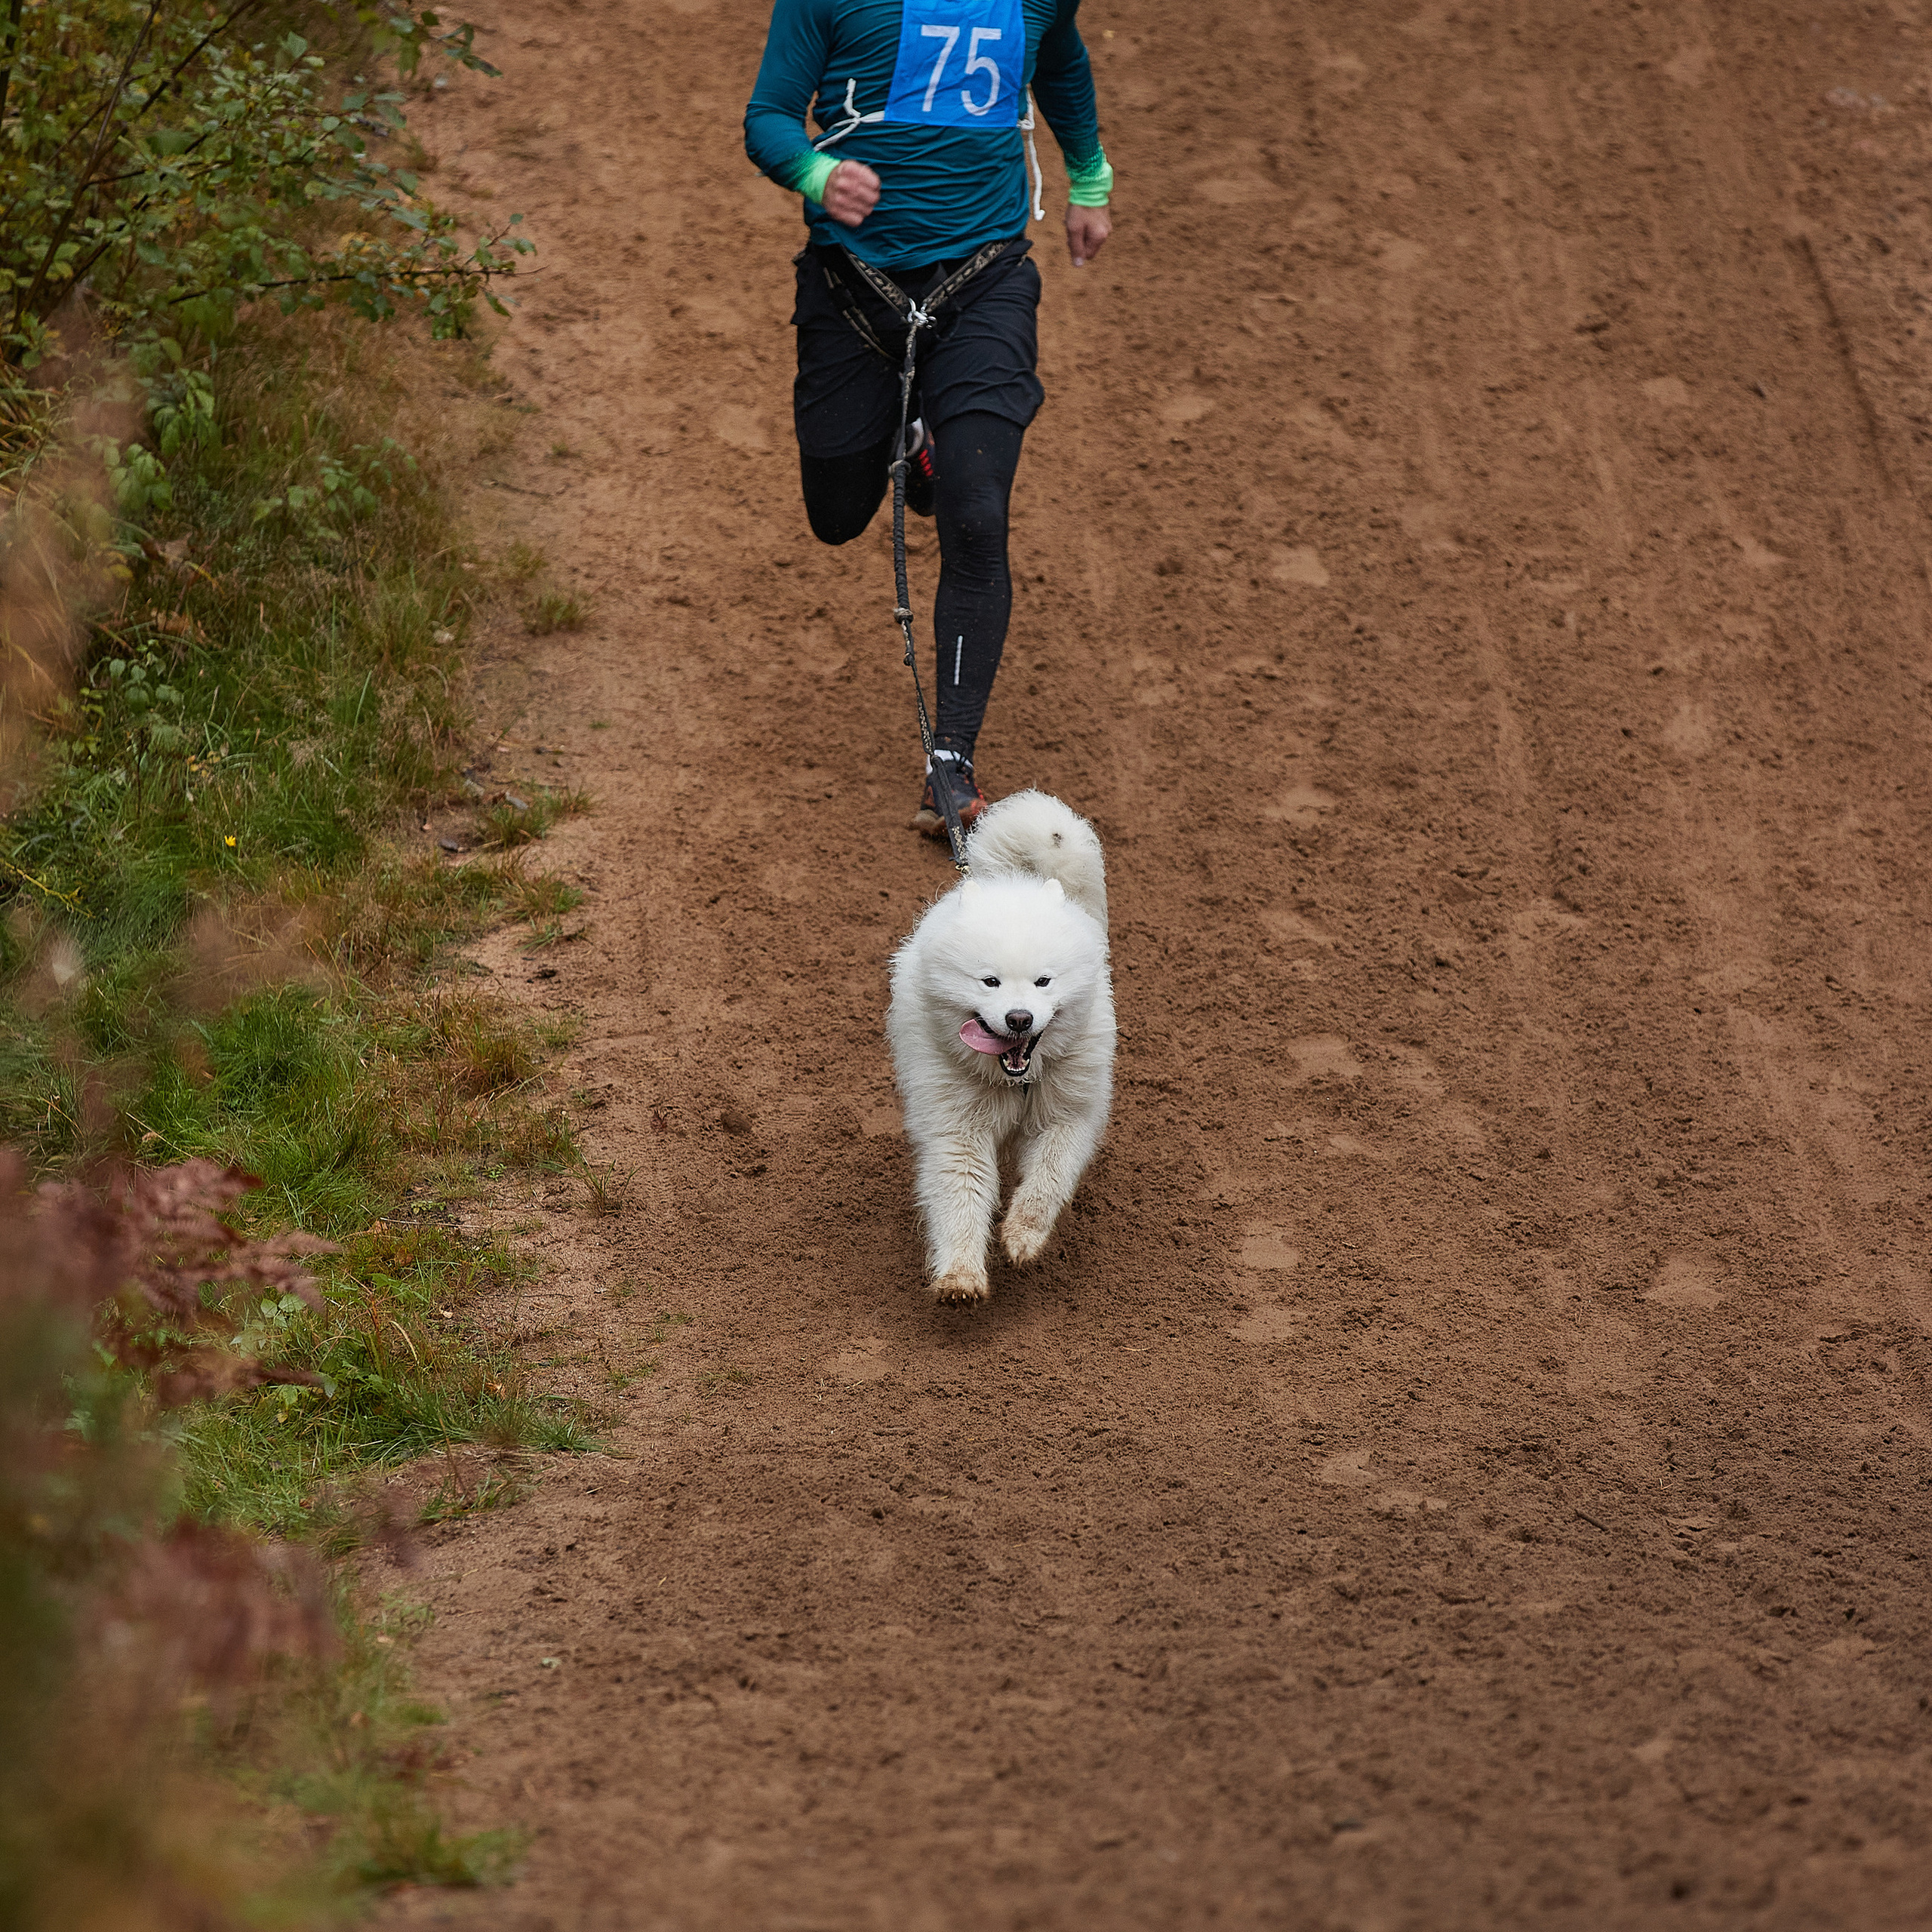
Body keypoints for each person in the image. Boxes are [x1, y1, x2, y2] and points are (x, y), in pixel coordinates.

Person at [744, 0, 1113, 838]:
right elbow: (768, 116)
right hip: (852, 287)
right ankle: (913, 437)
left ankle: (951, 760)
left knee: (976, 514)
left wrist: (1090, 181)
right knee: (837, 515)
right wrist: (814, 174)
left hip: (987, 277)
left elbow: (1060, 59)